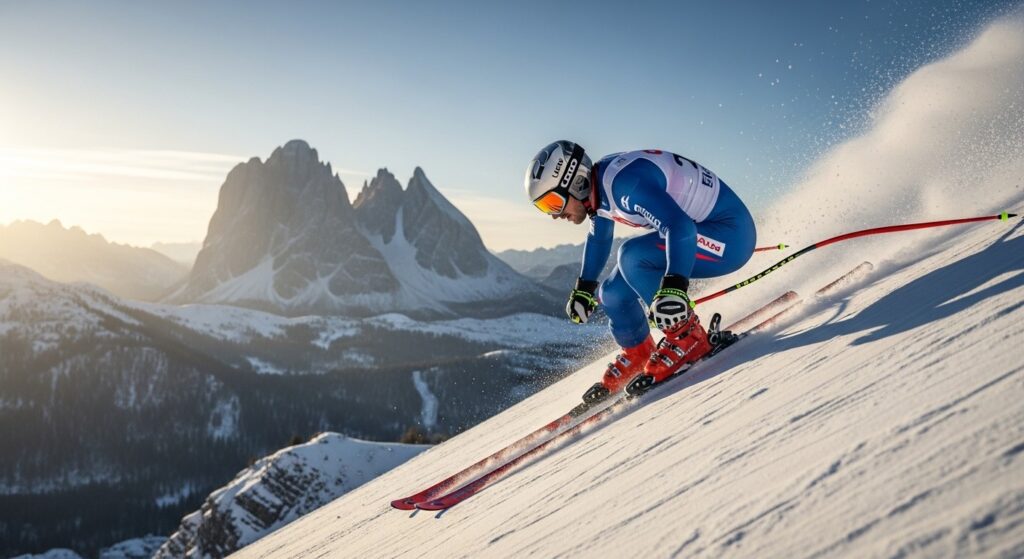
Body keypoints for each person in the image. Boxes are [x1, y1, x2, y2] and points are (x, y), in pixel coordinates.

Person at [524, 140, 757, 402]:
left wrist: (674, 288)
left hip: (730, 238)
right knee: (611, 292)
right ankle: (639, 352)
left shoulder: (625, 185)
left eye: (553, 203)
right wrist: (585, 288)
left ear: (576, 182)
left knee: (632, 256)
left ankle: (687, 337)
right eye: (544, 208)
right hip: (696, 235)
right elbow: (599, 238)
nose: (554, 215)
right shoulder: (598, 189)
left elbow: (680, 228)